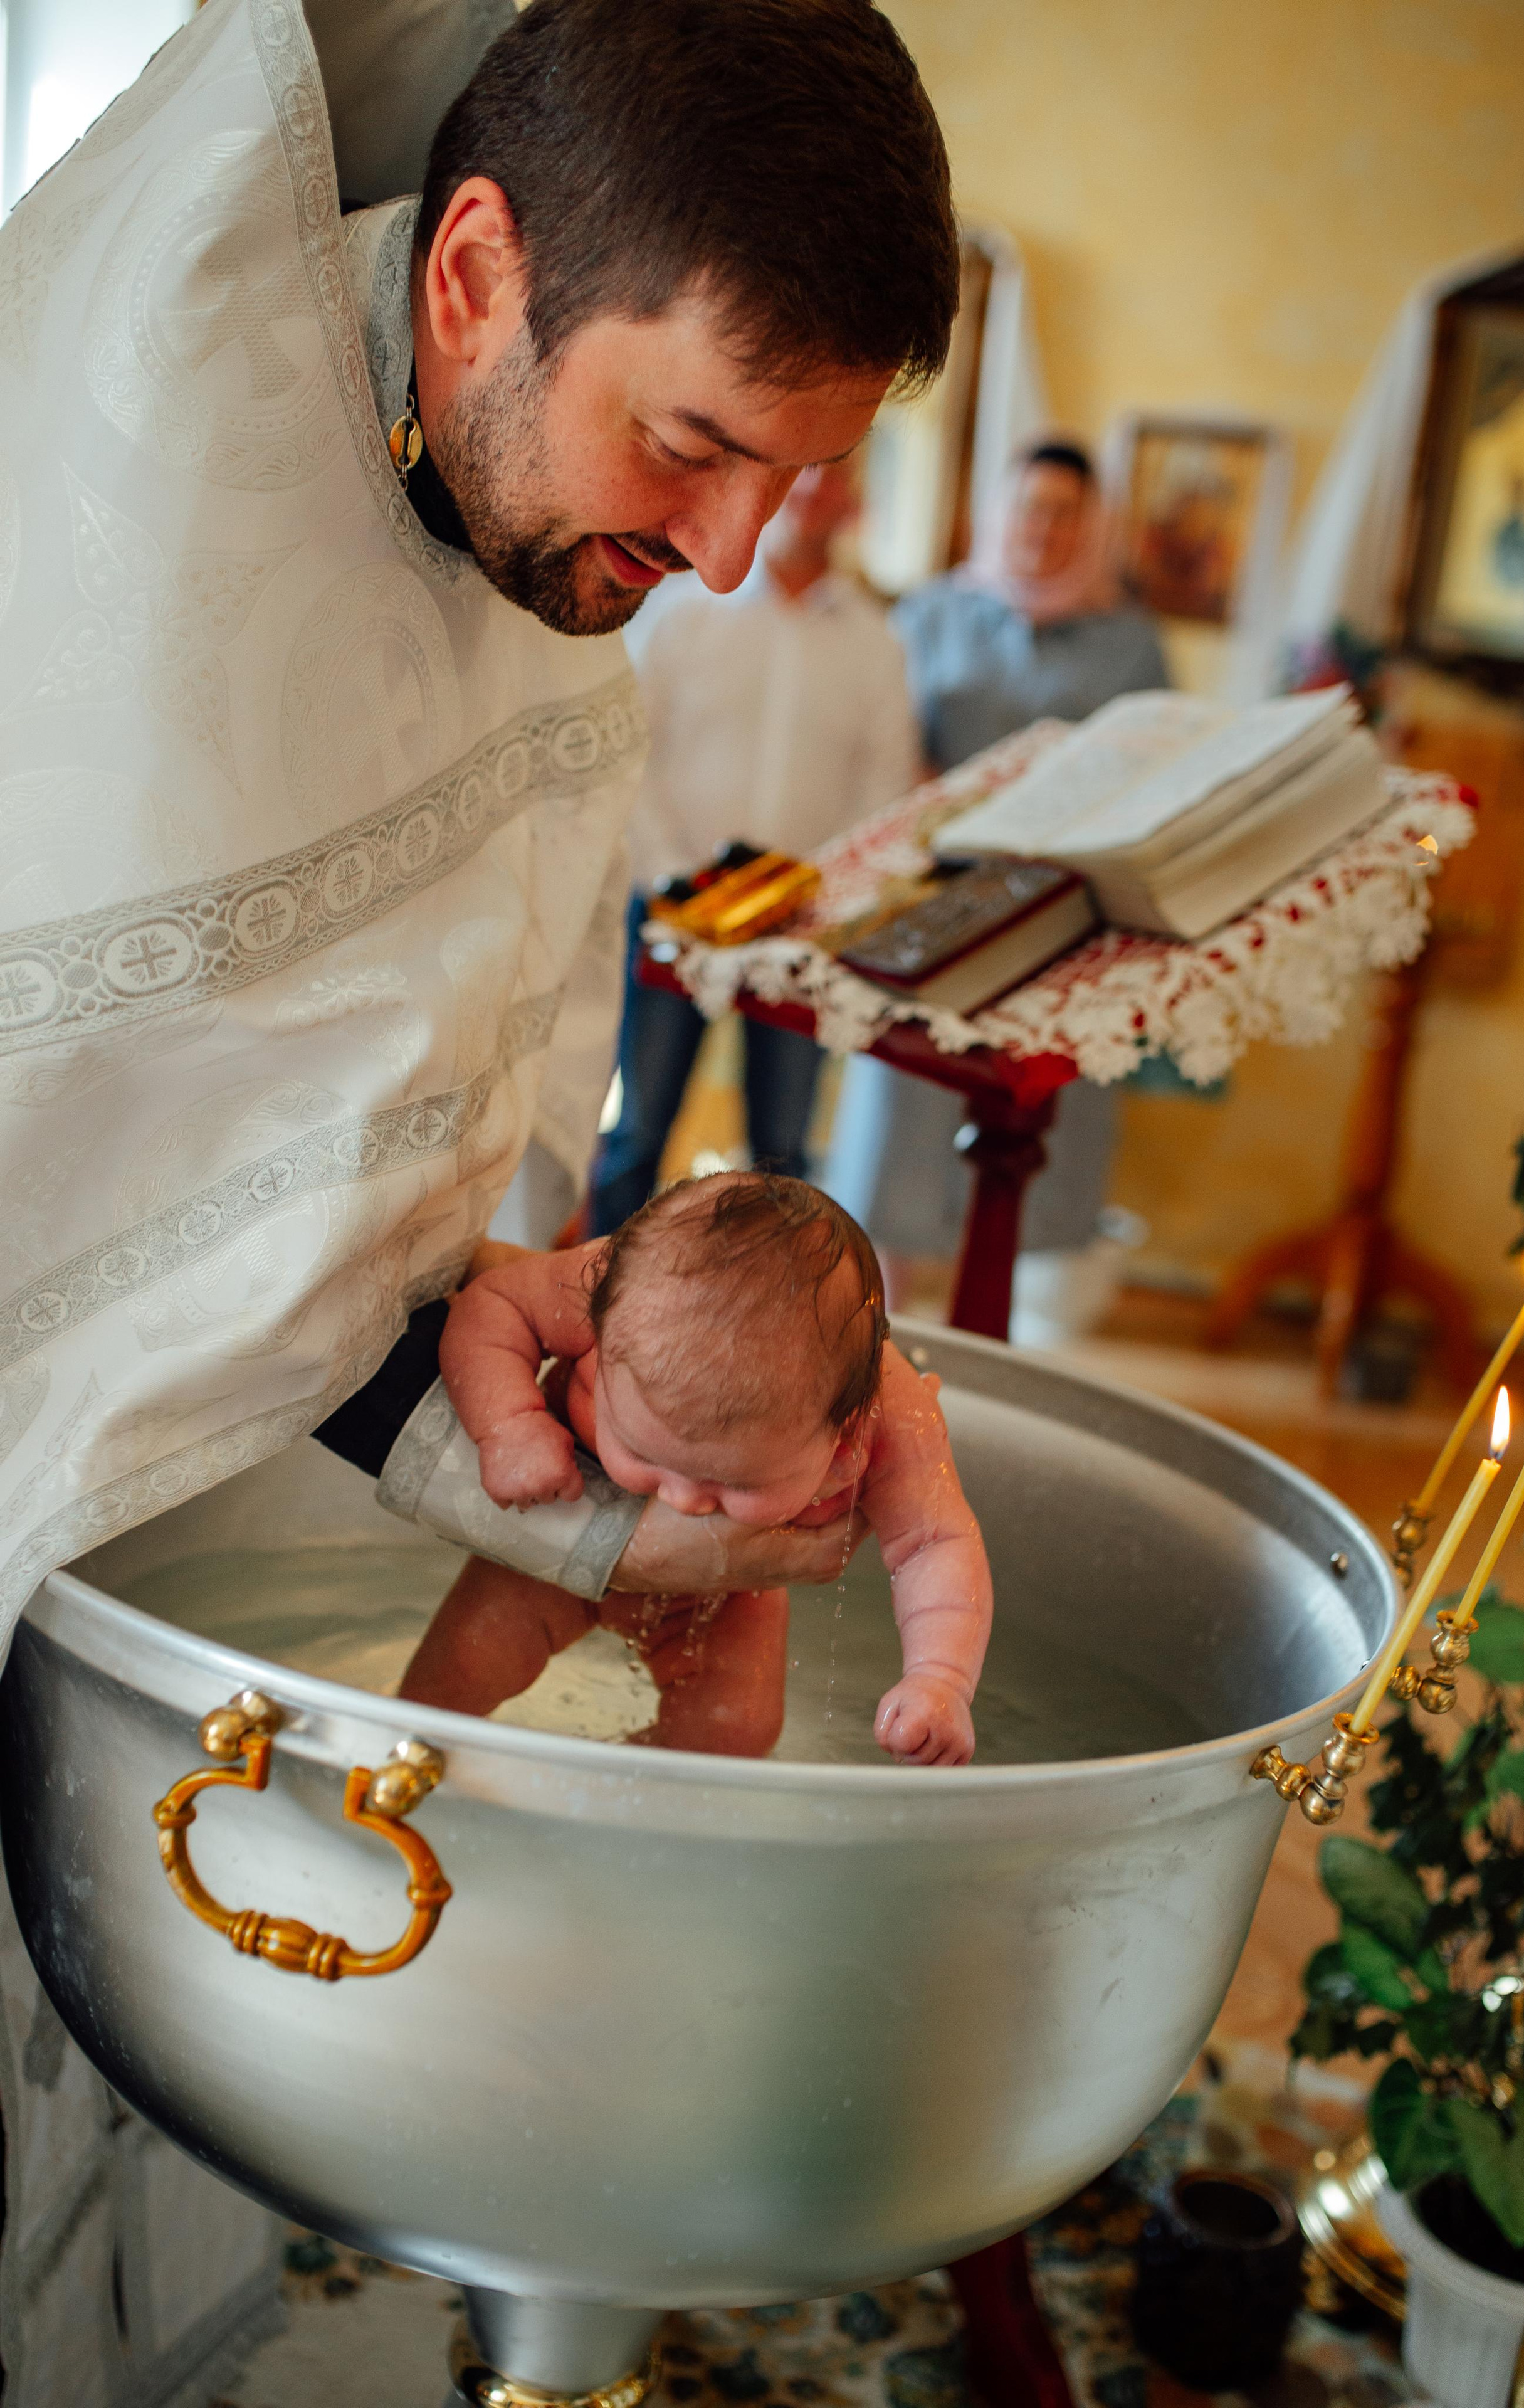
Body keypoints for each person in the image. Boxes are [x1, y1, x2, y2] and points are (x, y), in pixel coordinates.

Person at [0, 0, 960, 2391]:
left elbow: (340, 1178)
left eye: (794, 482)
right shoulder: (91, 598)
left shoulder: (538, 543)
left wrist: (597, 1369)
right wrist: (504, 1472)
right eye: (701, 447)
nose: (734, 559)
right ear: (470, 277)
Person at [402, 1174, 993, 1766]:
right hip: (560, 1535)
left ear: (846, 1437)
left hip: (726, 1592)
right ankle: (399, 1757)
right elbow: (494, 1306)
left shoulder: (890, 1413)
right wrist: (509, 1425)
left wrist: (940, 1679)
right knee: (456, 1676)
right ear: (602, 1345)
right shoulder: (609, 1287)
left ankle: (626, 1811)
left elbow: (935, 1541)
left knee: (735, 1733)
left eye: (735, 1484)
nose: (683, 1502)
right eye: (644, 1454)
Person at [824, 440, 1169, 1315]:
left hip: (1062, 915)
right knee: (906, 1111)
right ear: (997, 513)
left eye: (1063, 513)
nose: (1041, 529)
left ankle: (1003, 1324)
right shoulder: (933, 615)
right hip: (934, 905)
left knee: (1030, 1121)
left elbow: (1151, 771)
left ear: (1092, 527)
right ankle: (888, 1317)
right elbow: (885, 745)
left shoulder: (1132, 643)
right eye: (1028, 508)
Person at [589, 460, 917, 1230]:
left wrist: (819, 907)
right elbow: (631, 751)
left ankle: (765, 1329)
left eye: (835, 482)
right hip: (675, 911)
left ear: (854, 505)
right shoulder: (680, 611)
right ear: (769, 489)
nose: (813, 496)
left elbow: (882, 790)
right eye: (799, 477)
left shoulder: (876, 644)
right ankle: (591, 1307)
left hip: (803, 936)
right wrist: (681, 886)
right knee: (638, 1131)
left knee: (783, 1151)